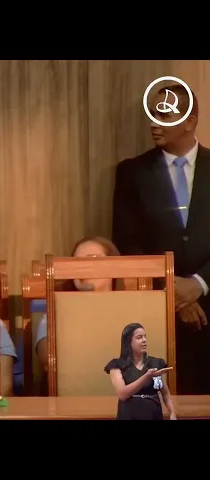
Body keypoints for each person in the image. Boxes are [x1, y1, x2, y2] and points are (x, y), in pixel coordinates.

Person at [112, 84, 210, 394]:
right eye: (152, 115)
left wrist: (199, 284)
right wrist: (174, 291)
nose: (154, 123)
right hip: (157, 309)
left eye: (164, 115)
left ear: (190, 121)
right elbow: (128, 243)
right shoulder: (132, 173)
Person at [35, 236, 121, 372]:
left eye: (93, 258)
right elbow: (47, 357)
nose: (84, 268)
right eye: (77, 262)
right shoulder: (57, 310)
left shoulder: (133, 307)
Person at [104, 323, 176, 420]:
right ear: (128, 341)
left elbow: (165, 393)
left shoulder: (156, 363)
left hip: (153, 414)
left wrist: (172, 413)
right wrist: (146, 377)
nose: (144, 340)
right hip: (129, 415)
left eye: (145, 337)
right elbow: (123, 394)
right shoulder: (117, 365)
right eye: (139, 337)